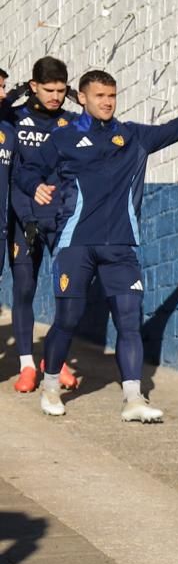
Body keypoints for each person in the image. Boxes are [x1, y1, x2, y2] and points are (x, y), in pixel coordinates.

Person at [20, 65, 178, 423]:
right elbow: (27, 168)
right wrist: (34, 185)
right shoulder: (63, 138)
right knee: (68, 316)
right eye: (100, 96)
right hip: (75, 243)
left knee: (129, 320)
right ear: (82, 98)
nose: (108, 102)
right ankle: (50, 387)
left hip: (121, 246)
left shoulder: (133, 137)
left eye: (112, 96)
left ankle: (133, 398)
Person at [6, 58, 80, 393]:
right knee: (24, 287)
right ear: (34, 86)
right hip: (23, 219)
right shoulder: (14, 118)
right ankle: (26, 366)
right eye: (48, 89)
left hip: (62, 218)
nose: (55, 96)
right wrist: (15, 93)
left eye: (61, 91)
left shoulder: (71, 121)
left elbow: (108, 129)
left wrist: (85, 103)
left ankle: (56, 358)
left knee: (67, 290)